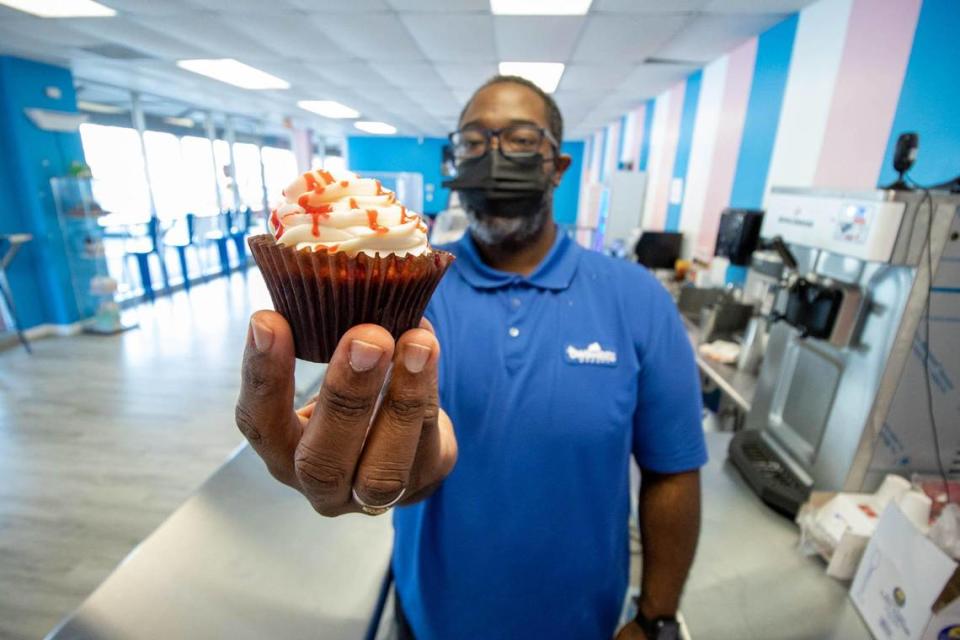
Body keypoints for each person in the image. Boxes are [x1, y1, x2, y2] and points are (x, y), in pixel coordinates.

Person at [236, 76, 707, 640]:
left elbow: (672, 468)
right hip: (432, 610)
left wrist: (655, 616)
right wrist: (346, 461)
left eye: (522, 140)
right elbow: (368, 427)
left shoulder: (637, 299)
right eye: (474, 142)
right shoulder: (406, 291)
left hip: (582, 616)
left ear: (558, 168)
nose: (494, 157)